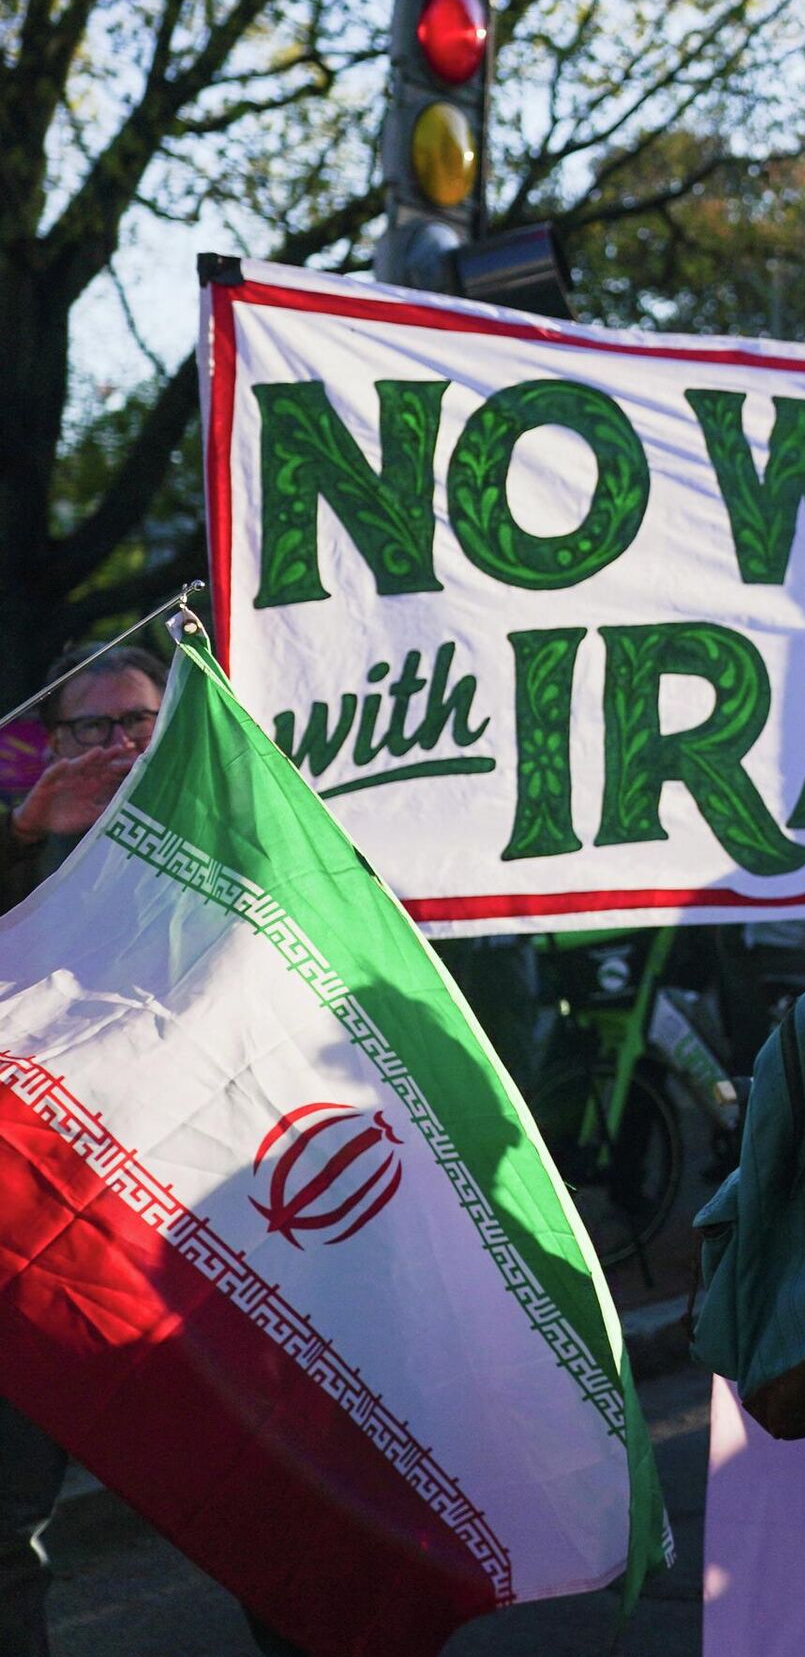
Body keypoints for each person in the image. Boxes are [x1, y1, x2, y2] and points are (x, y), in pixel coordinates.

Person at [1, 645, 305, 1657]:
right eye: (93, 727)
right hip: (38, 1247)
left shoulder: (238, 846)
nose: (118, 746)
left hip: (199, 1238)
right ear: (54, 741)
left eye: (140, 722)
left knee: (264, 1503)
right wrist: (22, 837)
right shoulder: (24, 849)